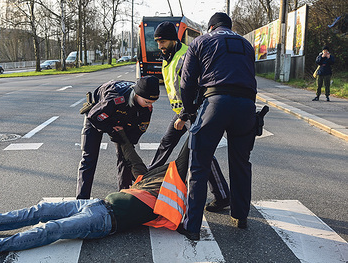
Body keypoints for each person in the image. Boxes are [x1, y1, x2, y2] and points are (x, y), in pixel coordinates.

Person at [0, 130, 192, 256]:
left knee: (52, 229)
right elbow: (133, 158)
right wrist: (119, 134)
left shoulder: (170, 192)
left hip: (102, 221)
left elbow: (184, 157)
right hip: (95, 205)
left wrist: (198, 124)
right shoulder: (146, 179)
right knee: (42, 210)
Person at [179, 13, 257, 238]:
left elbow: (187, 83)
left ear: (210, 26)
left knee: (199, 166)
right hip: (246, 106)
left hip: (215, 102)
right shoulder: (246, 44)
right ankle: (241, 216)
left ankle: (192, 226)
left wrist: (190, 110)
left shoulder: (201, 41)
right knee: (241, 163)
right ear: (230, 27)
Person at [149, 21, 230, 212]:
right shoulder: (167, 57)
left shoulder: (185, 55)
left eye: (163, 41)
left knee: (202, 153)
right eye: (157, 42)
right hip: (181, 112)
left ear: (172, 39)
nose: (159, 46)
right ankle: (148, 180)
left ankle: (222, 195)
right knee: (166, 144)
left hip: (193, 112)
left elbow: (195, 87)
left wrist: (185, 115)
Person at [76, 76, 160, 199]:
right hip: (98, 114)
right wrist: (111, 130)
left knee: (125, 159)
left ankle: (123, 196)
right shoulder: (116, 98)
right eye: (147, 102)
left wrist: (126, 142)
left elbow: (138, 131)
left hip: (123, 120)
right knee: (89, 157)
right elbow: (94, 117)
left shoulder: (147, 107)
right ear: (136, 94)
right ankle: (81, 199)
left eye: (152, 103)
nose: (149, 105)